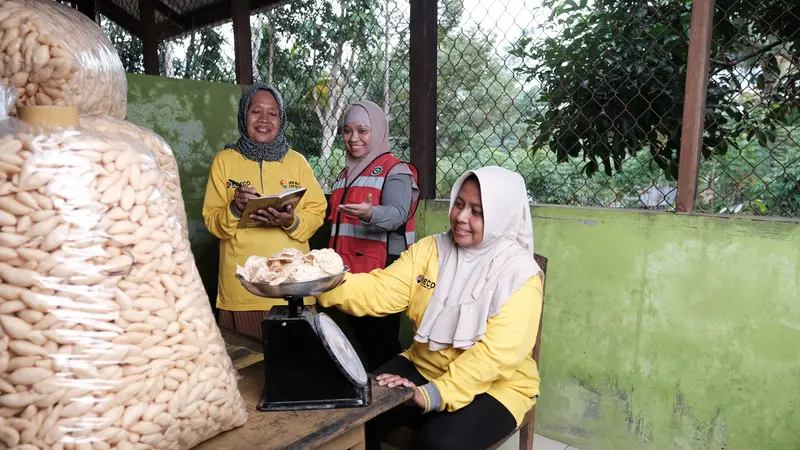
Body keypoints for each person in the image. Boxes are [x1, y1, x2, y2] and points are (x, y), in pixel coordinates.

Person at [318, 166, 543, 450]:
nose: (461, 217)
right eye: (459, 204)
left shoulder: (520, 275)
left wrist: (432, 395)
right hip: (424, 364)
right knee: (359, 408)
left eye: (477, 211)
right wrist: (321, 280)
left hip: (497, 386)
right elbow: (379, 290)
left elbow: (493, 358)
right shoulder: (430, 250)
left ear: (502, 217)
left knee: (438, 443)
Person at [202, 83, 327, 339]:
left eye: (273, 113)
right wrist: (235, 208)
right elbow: (213, 223)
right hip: (244, 289)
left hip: (292, 286)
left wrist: (292, 221)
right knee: (250, 369)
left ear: (281, 119)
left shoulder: (297, 162)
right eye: (256, 111)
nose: (264, 120)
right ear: (243, 115)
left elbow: (317, 212)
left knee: (295, 369)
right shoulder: (224, 162)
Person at [328, 100, 419, 372]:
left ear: (377, 131)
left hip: (380, 279)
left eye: (362, 131)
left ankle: (392, 409)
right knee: (352, 350)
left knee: (380, 351)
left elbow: (398, 214)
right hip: (345, 278)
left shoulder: (396, 170)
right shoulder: (344, 176)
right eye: (347, 130)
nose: (353, 138)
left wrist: (370, 214)